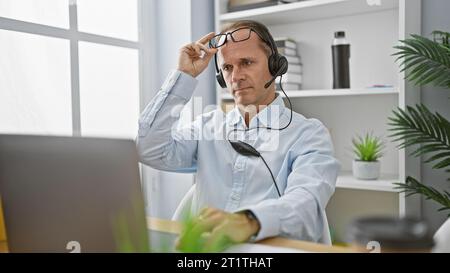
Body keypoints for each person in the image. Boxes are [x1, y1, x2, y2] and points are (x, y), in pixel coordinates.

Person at [136, 20, 340, 248]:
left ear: (276, 65)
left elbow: (306, 203)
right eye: (227, 67)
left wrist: (249, 221)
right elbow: (148, 149)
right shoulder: (208, 125)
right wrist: (183, 75)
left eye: (247, 62)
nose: (236, 76)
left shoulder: (308, 134)